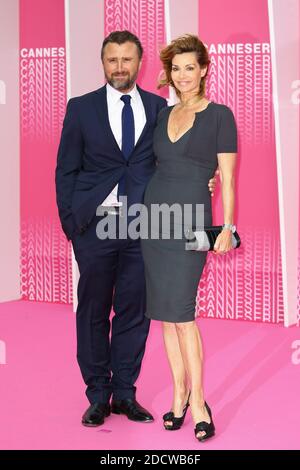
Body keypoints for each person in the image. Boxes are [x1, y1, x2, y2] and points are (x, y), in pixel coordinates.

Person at [55, 30, 217, 427]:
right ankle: (97, 395)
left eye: (127, 59)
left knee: (134, 311)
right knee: (93, 308)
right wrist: (72, 222)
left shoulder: (160, 108)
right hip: (96, 224)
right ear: (103, 62)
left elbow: (175, 161)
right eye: (113, 59)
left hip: (145, 224)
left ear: (139, 63)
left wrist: (203, 181)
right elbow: (66, 169)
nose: (120, 67)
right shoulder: (81, 108)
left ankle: (125, 394)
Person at [141, 34, 237, 442]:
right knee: (165, 314)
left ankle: (199, 400)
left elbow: (228, 180)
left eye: (189, 67)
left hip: (194, 220)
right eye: (175, 68)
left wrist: (227, 228)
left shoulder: (220, 116)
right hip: (154, 219)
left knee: (183, 311)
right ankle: (178, 392)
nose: (182, 75)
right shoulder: (163, 116)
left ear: (203, 70)